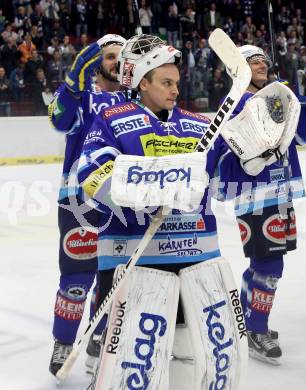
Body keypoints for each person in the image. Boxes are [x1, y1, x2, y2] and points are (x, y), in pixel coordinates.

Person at [76, 34, 243, 389]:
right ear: (143, 82)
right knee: (129, 360)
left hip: (195, 259)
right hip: (132, 259)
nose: (174, 91)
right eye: (166, 83)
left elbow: (227, 179)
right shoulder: (112, 119)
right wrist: (150, 188)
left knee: (188, 352)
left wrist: (256, 153)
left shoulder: (200, 125)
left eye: (177, 83)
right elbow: (90, 176)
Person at [217, 45, 306, 364]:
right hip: (254, 193)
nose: (261, 64)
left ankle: (249, 321)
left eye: (263, 59)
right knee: (270, 265)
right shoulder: (236, 101)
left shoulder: (277, 95)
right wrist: (284, 98)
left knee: (265, 263)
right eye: (252, 61)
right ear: (239, 68)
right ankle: (256, 329)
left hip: (280, 190)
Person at [48, 33, 127, 377]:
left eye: (120, 57)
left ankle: (101, 336)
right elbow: (57, 120)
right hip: (80, 201)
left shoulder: (135, 100)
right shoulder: (82, 97)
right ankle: (64, 341)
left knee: (115, 281)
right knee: (77, 280)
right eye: (110, 56)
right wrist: (71, 83)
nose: (116, 62)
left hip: (125, 203)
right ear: (95, 63)